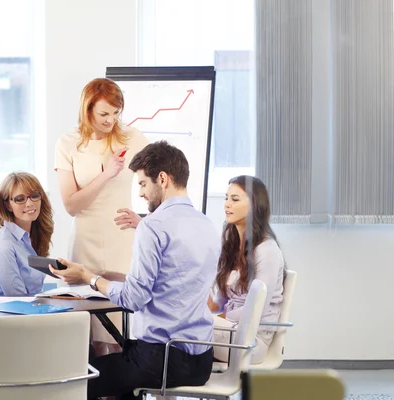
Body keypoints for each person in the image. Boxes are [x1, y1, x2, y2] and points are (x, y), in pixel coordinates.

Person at [52, 141, 220, 400]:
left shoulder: (152, 226)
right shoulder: (207, 225)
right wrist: (100, 273)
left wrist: (90, 278)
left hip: (161, 360)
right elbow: (171, 281)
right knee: (120, 379)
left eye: (142, 183)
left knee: (77, 378)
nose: (140, 193)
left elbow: (134, 299)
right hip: (200, 362)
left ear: (162, 179)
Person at [54, 77, 149, 354]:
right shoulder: (68, 144)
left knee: (121, 327)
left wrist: (145, 220)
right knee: (90, 331)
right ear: (88, 111)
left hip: (121, 239)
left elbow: (161, 180)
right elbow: (71, 205)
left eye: (116, 113)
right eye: (104, 114)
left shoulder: (133, 138)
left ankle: (121, 391)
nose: (111, 120)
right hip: (85, 239)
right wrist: (106, 173)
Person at [208, 175, 285, 364]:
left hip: (252, 340)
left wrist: (223, 316)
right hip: (229, 329)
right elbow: (221, 302)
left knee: (184, 327)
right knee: (179, 322)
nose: (227, 204)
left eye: (234, 200)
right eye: (226, 198)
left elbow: (257, 307)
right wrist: (206, 303)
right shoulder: (232, 246)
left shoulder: (267, 250)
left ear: (255, 205)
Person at [0, 172, 54, 339]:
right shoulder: (4, 244)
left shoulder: (33, 236)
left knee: (83, 343)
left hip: (28, 318)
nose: (29, 203)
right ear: (7, 205)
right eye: (20, 199)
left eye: (34, 196)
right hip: (7, 327)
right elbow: (18, 298)